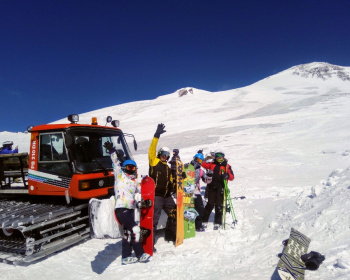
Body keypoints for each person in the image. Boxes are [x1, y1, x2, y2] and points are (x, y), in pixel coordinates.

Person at [104, 141, 151, 265]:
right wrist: (112, 152)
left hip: (130, 209)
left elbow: (139, 193)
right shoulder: (120, 176)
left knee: (127, 233)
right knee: (135, 229)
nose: (132, 170)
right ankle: (140, 254)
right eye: (130, 167)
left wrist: (146, 184)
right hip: (121, 209)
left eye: (134, 168)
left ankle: (125, 256)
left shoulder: (134, 182)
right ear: (125, 168)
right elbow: (115, 163)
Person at [148, 123, 177, 245]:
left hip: (167, 196)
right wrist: (157, 135)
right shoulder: (154, 162)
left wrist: (178, 181)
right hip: (157, 196)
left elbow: (172, 182)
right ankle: (150, 243)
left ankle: (171, 236)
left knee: (174, 213)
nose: (164, 157)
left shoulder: (168, 168)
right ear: (160, 154)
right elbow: (152, 149)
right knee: (154, 219)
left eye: (166, 155)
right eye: (163, 154)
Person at [201, 149, 234, 230]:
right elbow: (204, 165)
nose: (219, 157)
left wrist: (227, 175)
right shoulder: (212, 164)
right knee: (210, 204)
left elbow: (232, 177)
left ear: (223, 156)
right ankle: (204, 221)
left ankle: (218, 222)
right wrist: (198, 158)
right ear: (215, 157)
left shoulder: (227, 166)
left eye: (221, 155)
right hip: (212, 188)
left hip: (221, 188)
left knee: (219, 206)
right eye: (217, 156)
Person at [190, 152, 210, 232]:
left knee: (200, 208)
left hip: (196, 190)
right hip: (187, 190)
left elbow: (206, 180)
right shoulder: (188, 166)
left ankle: (198, 225)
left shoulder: (200, 170)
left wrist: (210, 176)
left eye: (200, 160)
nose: (198, 161)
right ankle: (188, 225)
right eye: (196, 159)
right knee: (189, 208)